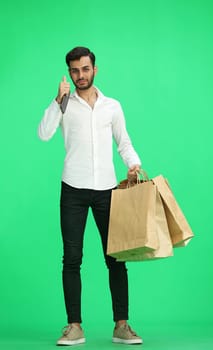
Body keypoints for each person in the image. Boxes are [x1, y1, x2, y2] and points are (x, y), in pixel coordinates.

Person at [38, 46, 143, 346]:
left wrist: (133, 163)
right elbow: (44, 133)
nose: (80, 75)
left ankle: (121, 325)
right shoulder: (64, 104)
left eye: (85, 69)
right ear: (69, 73)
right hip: (72, 188)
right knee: (71, 258)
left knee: (116, 257)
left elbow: (124, 143)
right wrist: (57, 100)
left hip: (107, 191)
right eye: (74, 70)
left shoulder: (112, 106)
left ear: (95, 69)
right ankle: (74, 326)